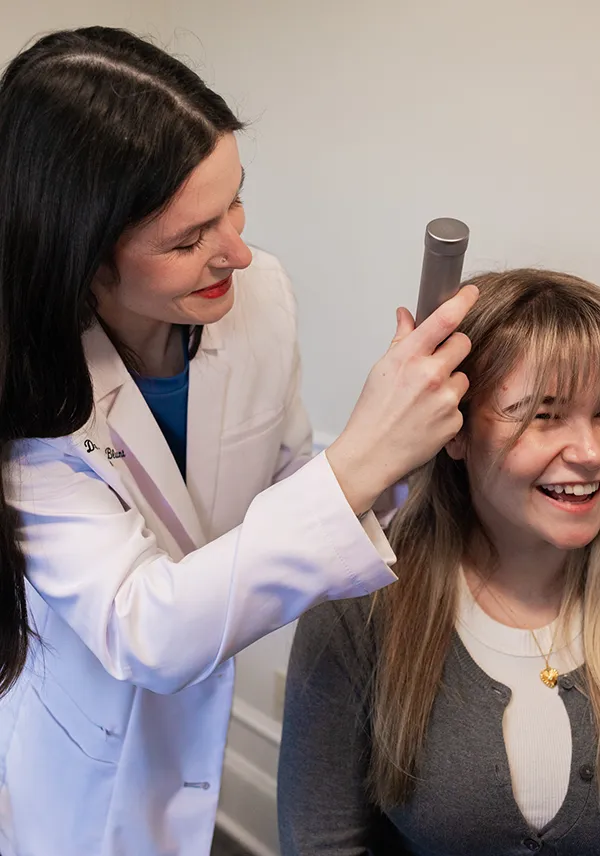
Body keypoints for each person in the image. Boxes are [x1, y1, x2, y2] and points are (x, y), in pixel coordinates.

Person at [0, 26, 477, 856]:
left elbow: (287, 472)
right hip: (82, 758)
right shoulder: (29, 406)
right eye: (188, 240)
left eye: (235, 203)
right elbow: (142, 624)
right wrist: (362, 454)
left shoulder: (258, 296)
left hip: (191, 725)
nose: (239, 252)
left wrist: (403, 456)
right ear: (80, 259)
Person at [279, 268, 600, 856]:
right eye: (543, 415)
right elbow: (322, 843)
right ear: (452, 428)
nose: (589, 452)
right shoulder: (361, 609)